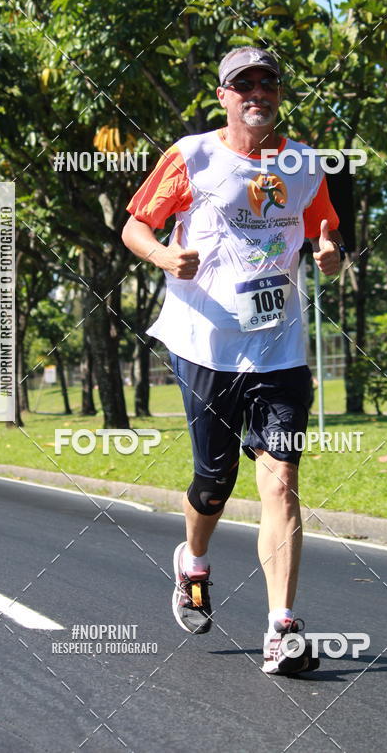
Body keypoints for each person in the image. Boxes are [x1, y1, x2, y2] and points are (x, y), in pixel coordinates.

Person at [122, 46, 344, 675]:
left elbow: (323, 230)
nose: (257, 93)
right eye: (242, 84)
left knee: (281, 477)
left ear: (278, 93)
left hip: (278, 346)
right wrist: (166, 258)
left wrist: (331, 253)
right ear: (222, 95)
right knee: (214, 482)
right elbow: (135, 225)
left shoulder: (303, 163)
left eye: (267, 82)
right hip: (206, 343)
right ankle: (192, 563)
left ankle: (282, 629)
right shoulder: (191, 155)